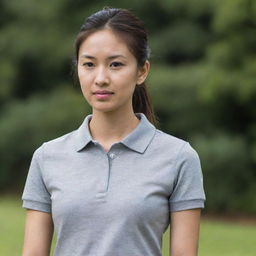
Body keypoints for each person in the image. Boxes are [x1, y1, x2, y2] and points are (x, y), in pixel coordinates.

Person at [21, 7, 206, 256]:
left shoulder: (179, 157)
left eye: (115, 64)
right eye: (89, 64)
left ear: (142, 71)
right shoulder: (47, 157)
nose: (100, 78)